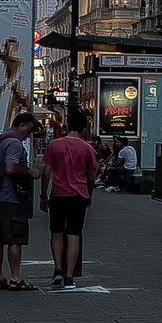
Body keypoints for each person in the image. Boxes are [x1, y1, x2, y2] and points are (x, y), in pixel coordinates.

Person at [38, 110, 98, 290]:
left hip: (58, 193)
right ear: (84, 129)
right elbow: (91, 177)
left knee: (56, 232)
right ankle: (70, 276)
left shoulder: (55, 145)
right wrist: (89, 195)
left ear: (67, 126)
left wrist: (43, 195)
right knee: (74, 234)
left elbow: (46, 172)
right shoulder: (88, 148)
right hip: (79, 195)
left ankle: (57, 269)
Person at [0, 112, 41, 291]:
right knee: (15, 239)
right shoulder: (14, 143)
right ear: (21, 125)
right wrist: (30, 173)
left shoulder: (1, 138)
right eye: (28, 131)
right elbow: (11, 168)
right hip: (10, 197)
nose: (28, 135)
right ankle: (15, 278)